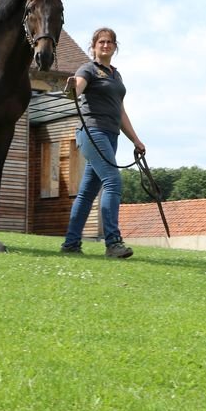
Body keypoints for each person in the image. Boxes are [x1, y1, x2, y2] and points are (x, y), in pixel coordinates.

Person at [60, 27, 145, 258]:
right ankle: (113, 243)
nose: (106, 45)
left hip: (110, 135)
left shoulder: (116, 75)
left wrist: (136, 140)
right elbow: (76, 89)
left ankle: (71, 244)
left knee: (87, 192)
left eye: (110, 42)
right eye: (101, 42)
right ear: (94, 46)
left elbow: (120, 112)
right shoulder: (87, 69)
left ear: (115, 47)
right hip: (92, 132)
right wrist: (72, 88)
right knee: (113, 182)